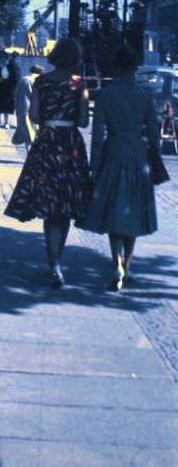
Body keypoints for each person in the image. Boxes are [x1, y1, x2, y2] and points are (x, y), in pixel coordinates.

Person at [4, 38, 92, 287]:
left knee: (48, 202)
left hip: (47, 142)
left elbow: (34, 115)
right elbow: (84, 121)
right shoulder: (78, 84)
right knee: (64, 204)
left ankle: (53, 261)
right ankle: (57, 261)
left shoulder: (42, 81)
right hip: (69, 145)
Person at [79, 45, 161, 291]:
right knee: (132, 210)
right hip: (138, 155)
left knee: (115, 209)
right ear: (135, 68)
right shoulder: (145, 96)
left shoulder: (105, 95)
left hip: (113, 154)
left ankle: (116, 262)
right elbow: (155, 134)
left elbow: (97, 135)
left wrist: (93, 167)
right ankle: (128, 261)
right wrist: (153, 154)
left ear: (115, 66)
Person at [12, 64, 43, 151]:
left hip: (23, 110)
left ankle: (29, 153)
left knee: (28, 135)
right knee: (37, 133)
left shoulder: (23, 80)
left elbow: (16, 95)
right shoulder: (40, 80)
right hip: (36, 111)